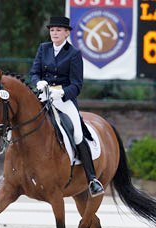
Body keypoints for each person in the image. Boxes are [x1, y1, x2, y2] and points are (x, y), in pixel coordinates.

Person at [30, 16, 104, 197]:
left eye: (58, 30)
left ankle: (92, 178)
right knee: (22, 123)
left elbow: (77, 85)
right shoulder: (43, 48)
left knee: (78, 133)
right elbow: (34, 72)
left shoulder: (73, 54)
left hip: (64, 100)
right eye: (52, 30)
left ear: (66, 33)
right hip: (43, 97)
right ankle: (11, 173)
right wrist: (38, 82)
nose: (54, 33)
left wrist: (62, 92)